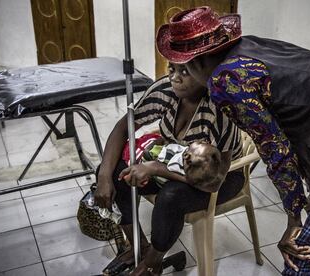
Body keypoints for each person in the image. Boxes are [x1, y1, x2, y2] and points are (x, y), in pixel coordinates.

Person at [155, 6, 310, 275]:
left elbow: (275, 148)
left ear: (197, 61)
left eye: (184, 68)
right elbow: (298, 117)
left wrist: (293, 218)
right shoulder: (248, 46)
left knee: (303, 250)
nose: (181, 75)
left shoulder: (225, 80)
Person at [94, 63, 244, 276]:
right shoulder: (165, 91)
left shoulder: (219, 110)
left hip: (222, 177)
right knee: (116, 174)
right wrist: (103, 176)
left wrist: (156, 168)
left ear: (204, 73)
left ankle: (152, 262)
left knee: (171, 196)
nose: (174, 78)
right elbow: (123, 126)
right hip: (174, 160)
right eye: (172, 69)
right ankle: (138, 246)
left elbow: (215, 181)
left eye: (185, 72)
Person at [120, 133, 223, 192]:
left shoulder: (172, 164)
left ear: (187, 157)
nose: (203, 141)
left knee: (127, 153)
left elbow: (147, 155)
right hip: (154, 147)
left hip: (143, 155)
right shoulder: (193, 163)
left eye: (200, 143)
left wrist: (150, 150)